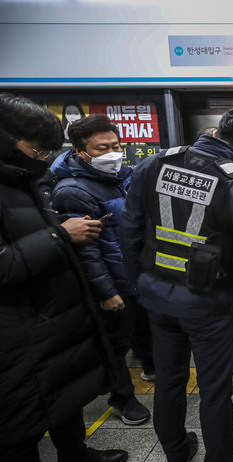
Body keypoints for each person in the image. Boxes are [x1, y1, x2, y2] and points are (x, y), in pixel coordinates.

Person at [121, 105, 233, 462]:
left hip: (157, 297)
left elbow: (130, 229)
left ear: (217, 133)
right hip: (208, 304)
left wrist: (137, 283)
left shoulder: (153, 165)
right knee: (214, 388)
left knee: (169, 379)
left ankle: (176, 456)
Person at [0, 93, 128, 462]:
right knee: (20, 426)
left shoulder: (30, 179)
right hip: (19, 326)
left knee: (64, 398)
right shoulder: (57, 184)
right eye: (36, 149)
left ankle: (75, 456)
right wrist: (60, 236)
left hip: (56, 313)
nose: (41, 157)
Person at [51, 114, 153, 426]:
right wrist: (106, 292)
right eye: (101, 148)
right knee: (115, 344)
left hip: (138, 275)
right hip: (113, 280)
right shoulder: (74, 191)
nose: (112, 153)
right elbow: (86, 251)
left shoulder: (126, 177)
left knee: (144, 328)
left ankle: (150, 366)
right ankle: (122, 398)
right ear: (80, 152)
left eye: (116, 146)